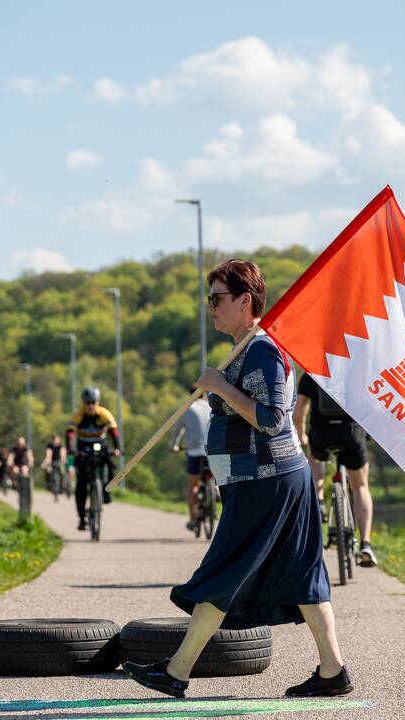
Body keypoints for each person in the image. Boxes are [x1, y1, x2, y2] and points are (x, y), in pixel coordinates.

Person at [123, 258, 352, 699]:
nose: (211, 307)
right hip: (277, 479)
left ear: (245, 300)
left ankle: (176, 671)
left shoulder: (263, 350)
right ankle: (332, 670)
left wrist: (219, 387)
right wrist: (221, 385)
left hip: (268, 479)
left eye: (218, 299)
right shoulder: (246, 349)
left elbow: (271, 419)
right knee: (303, 575)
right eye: (209, 299)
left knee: (224, 570)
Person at [293, 373, 377, 567]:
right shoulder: (356, 370)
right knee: (361, 487)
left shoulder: (310, 374)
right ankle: (365, 544)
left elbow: (299, 416)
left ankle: (320, 499)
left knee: (315, 458)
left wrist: (303, 439)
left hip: (322, 435)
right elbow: (373, 407)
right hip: (352, 433)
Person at [66, 387, 119, 531]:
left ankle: (107, 492)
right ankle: (82, 517)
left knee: (111, 463)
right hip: (83, 447)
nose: (90, 405)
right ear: (83, 403)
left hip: (101, 445)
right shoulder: (79, 415)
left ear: (97, 402)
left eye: (93, 402)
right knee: (81, 483)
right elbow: (70, 433)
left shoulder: (104, 414)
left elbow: (114, 431)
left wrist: (117, 448)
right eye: (87, 402)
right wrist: (71, 449)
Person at [170, 390, 212, 532]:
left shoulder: (187, 408)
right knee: (216, 475)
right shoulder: (211, 406)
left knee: (192, 487)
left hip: (194, 452)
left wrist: (174, 446)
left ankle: (193, 519)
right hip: (212, 451)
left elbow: (178, 431)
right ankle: (215, 491)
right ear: (204, 395)